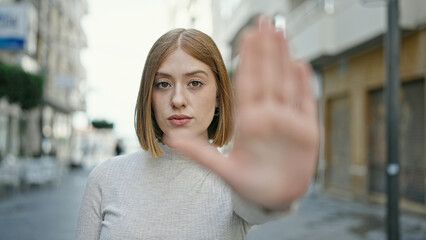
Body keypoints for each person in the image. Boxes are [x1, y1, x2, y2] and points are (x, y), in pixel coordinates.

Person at [76, 18, 319, 239]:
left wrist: (271, 191)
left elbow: (256, 204)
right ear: (148, 96)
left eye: (195, 83)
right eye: (163, 84)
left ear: (218, 96)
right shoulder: (106, 177)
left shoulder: (235, 181)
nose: (177, 99)